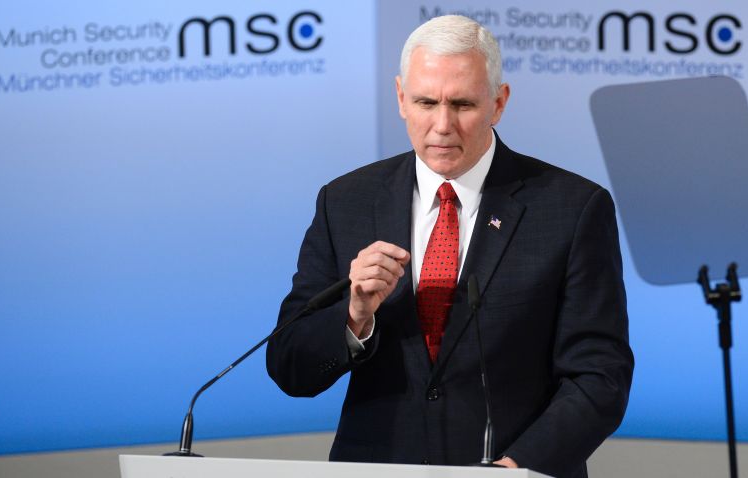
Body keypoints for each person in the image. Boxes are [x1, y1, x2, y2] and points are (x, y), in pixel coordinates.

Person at [266, 14, 633, 478]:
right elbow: (288, 366)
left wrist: (518, 467)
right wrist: (354, 317)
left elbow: (600, 377)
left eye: (462, 104)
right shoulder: (345, 202)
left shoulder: (571, 208)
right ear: (400, 98)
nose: (442, 125)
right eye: (425, 102)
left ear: (498, 103)